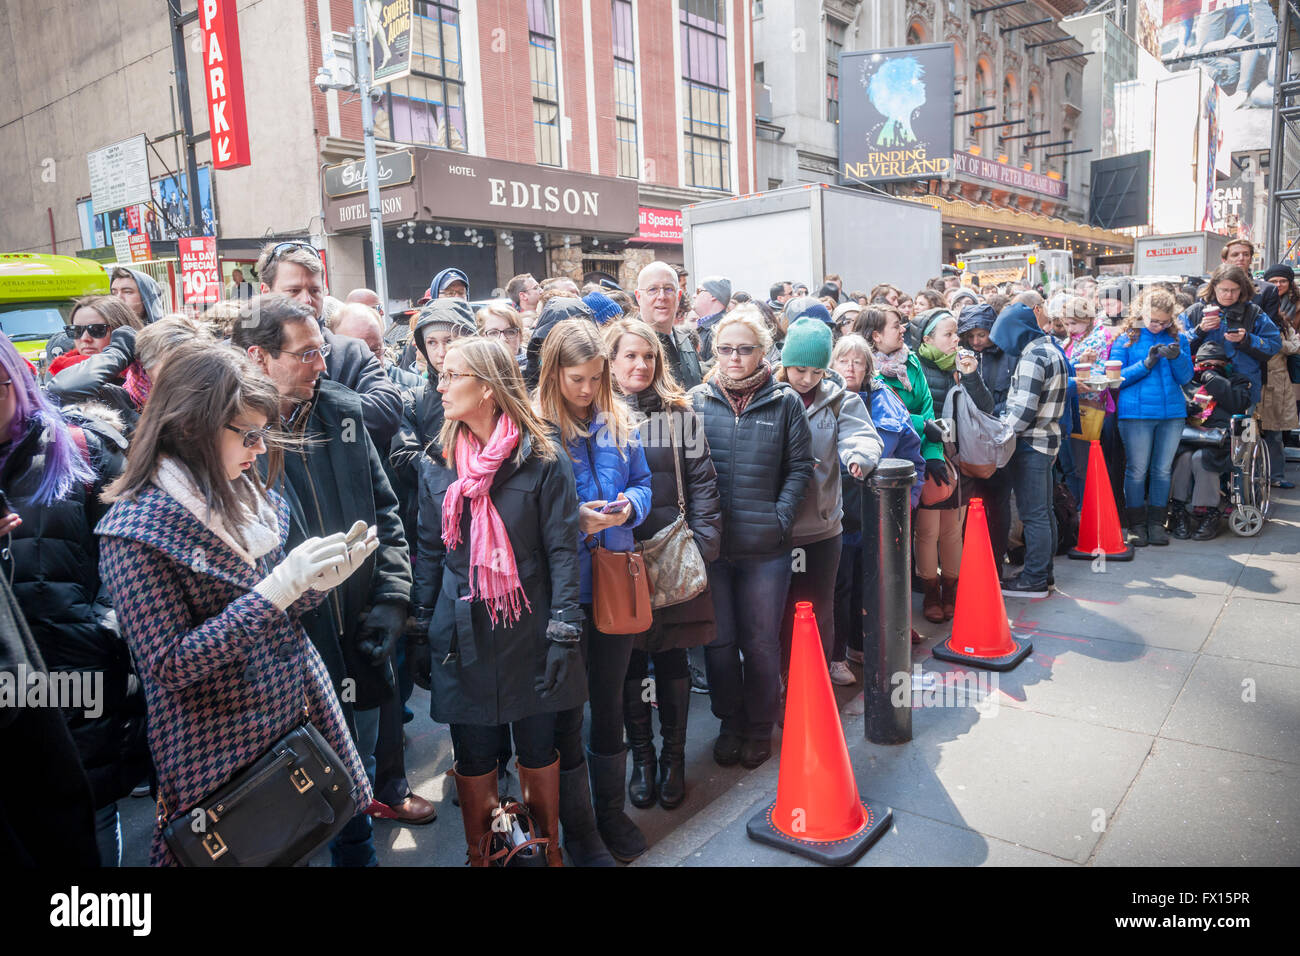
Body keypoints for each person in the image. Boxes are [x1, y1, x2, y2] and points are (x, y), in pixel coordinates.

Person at [96, 343, 374, 866]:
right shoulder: (133, 532)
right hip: (220, 754)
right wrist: (278, 591)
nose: (260, 448)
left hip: (292, 721)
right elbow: (170, 665)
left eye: (264, 432)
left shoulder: (249, 494)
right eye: (247, 434)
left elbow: (277, 613)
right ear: (190, 425)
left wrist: (317, 584)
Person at [231, 294, 426, 860]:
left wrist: (392, 598)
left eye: (323, 350)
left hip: (360, 639)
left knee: (354, 787)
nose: (323, 364)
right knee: (291, 804)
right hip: (287, 657)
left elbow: (386, 512)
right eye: (308, 353)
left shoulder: (343, 412)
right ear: (259, 357)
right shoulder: (235, 435)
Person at [409, 336, 586, 867]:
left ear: (487, 387)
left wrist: (563, 631)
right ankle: (481, 852)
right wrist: (420, 627)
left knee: (537, 749)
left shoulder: (543, 459)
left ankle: (545, 848)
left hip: (529, 630)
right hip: (461, 632)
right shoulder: (436, 462)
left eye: (452, 375)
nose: (440, 384)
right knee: (475, 754)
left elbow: (562, 550)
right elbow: (428, 549)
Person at [1, 333, 146, 866]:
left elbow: (131, 543)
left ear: (18, 381)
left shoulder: (79, 448)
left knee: (87, 817)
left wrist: (103, 624)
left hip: (75, 672)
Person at [534, 319, 653, 863]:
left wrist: (631, 505)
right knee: (568, 712)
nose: (586, 389)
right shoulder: (534, 430)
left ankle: (609, 814)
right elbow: (522, 516)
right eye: (577, 379)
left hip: (616, 578)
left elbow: (645, 484)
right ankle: (579, 831)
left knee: (610, 703)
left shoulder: (618, 421)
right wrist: (571, 520)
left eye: (594, 378)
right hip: (563, 592)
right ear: (553, 373)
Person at [602, 317, 721, 810]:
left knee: (671, 657)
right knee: (628, 662)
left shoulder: (679, 415)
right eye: (630, 355)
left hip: (672, 550)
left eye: (648, 355)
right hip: (617, 557)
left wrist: (704, 546)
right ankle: (643, 760)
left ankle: (673, 759)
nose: (641, 364)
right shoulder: (595, 414)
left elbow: (704, 482)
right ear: (610, 361)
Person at [690, 305, 813, 769]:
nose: (735, 358)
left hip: (766, 549)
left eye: (745, 349)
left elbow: (801, 468)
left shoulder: (784, 403)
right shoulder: (696, 401)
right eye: (726, 349)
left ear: (763, 351)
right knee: (719, 642)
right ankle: (730, 721)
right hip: (714, 547)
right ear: (714, 351)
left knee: (760, 642)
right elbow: (683, 470)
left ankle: (761, 726)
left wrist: (779, 517)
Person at [775, 317, 882, 679]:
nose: (807, 379)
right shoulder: (770, 396)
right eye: (799, 369)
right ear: (785, 362)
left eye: (816, 371)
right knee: (778, 609)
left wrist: (858, 458)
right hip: (775, 527)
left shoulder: (841, 400)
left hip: (821, 528)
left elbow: (862, 436)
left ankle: (817, 676)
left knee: (820, 607)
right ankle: (784, 678)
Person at [829, 335, 925, 678]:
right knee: (839, 588)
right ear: (832, 364)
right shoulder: (823, 399)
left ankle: (859, 645)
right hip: (834, 518)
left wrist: (907, 503)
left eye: (858, 361)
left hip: (877, 516)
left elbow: (912, 456)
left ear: (869, 367)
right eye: (843, 360)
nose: (851, 367)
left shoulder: (886, 401)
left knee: (869, 585)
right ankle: (835, 654)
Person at [255, 240, 403, 450]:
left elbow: (386, 414)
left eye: (314, 291)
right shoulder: (236, 355)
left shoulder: (352, 353)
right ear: (265, 291)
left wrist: (311, 404)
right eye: (293, 290)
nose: (306, 300)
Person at [914, 310, 996, 620]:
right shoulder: (915, 367)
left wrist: (973, 376)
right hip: (930, 460)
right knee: (927, 531)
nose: (955, 341)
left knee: (952, 531)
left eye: (955, 335)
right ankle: (931, 593)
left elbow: (986, 408)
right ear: (927, 339)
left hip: (961, 460)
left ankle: (951, 590)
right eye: (948, 335)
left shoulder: (963, 366)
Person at [993, 302, 1069, 598]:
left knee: (1033, 513)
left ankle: (1035, 577)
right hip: (1047, 440)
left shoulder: (1032, 358)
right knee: (1044, 511)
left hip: (1030, 444)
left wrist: (998, 432)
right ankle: (1043, 572)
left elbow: (1022, 413)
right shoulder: (1051, 351)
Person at [1108, 289, 1194, 547]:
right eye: (1153, 321)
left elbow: (1186, 378)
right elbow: (1114, 378)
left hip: (1171, 414)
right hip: (1136, 414)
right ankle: (1136, 524)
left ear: (1171, 319)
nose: (1157, 326)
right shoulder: (1126, 338)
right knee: (1136, 471)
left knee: (1162, 470)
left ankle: (1157, 522)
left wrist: (1177, 357)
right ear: (1141, 313)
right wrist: (1145, 364)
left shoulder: (1178, 338)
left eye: (1163, 322)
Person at [49, 312, 210, 436]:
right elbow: (60, 390)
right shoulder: (119, 400)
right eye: (171, 363)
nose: (180, 374)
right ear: (144, 365)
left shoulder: (206, 402)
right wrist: (118, 351)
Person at [1168, 341, 1254, 540]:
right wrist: (1188, 408)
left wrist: (1213, 380)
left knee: (1201, 458)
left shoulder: (1237, 381)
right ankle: (1178, 510)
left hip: (1220, 439)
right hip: (1189, 436)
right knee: (1184, 458)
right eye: (1204, 366)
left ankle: (1209, 512)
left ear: (1225, 364)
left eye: (1214, 365)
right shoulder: (1186, 382)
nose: (1208, 370)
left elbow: (1238, 404)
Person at [857, 306, 949, 488]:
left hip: (921, 456)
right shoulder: (862, 372)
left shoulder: (911, 362)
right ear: (877, 336)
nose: (903, 330)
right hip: (887, 463)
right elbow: (875, 418)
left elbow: (928, 410)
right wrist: (920, 424)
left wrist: (933, 454)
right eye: (896, 326)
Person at [1185, 264, 1281, 408]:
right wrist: (1199, 330)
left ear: (1242, 289)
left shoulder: (1254, 313)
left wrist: (1247, 339)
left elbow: (1274, 345)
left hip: (1241, 390)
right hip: (1200, 388)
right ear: (1214, 287)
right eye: (1224, 290)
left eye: (1234, 290)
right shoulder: (1195, 312)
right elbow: (1176, 345)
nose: (1229, 295)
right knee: (1200, 428)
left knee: (1239, 430)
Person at [1259, 265, 1300, 489]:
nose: (1277, 287)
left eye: (1282, 281)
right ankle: (1258, 475)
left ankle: (1275, 475)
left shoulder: (1282, 320)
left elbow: (1294, 345)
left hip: (1278, 380)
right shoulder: (1251, 317)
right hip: (1258, 380)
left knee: (1275, 432)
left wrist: (1279, 344)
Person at [635, 261, 703, 390]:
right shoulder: (628, 345)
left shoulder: (686, 341)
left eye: (668, 289)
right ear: (639, 297)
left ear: (678, 296)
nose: (661, 297)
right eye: (653, 289)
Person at [333, 302, 423, 391]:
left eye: (375, 350)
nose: (369, 360)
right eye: (355, 352)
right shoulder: (323, 393)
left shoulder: (417, 389)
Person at [47, 294, 143, 377]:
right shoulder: (59, 373)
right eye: (76, 330)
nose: (85, 339)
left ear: (122, 331)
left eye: (96, 330)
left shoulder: (146, 373)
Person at [1222, 238, 1282, 324]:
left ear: (1250, 259)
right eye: (1235, 255)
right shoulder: (1208, 289)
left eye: (1246, 254)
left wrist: (1245, 336)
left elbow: (1270, 330)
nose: (1241, 258)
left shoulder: (1268, 290)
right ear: (1224, 260)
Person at [477, 300, 528, 369]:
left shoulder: (537, 370)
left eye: (510, 332)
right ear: (482, 338)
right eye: (493, 333)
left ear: (520, 336)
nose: (503, 339)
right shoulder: (473, 371)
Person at [693, 275, 732, 363]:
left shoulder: (721, 330)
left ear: (713, 295)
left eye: (698, 291)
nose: (694, 296)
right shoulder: (707, 327)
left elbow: (715, 368)